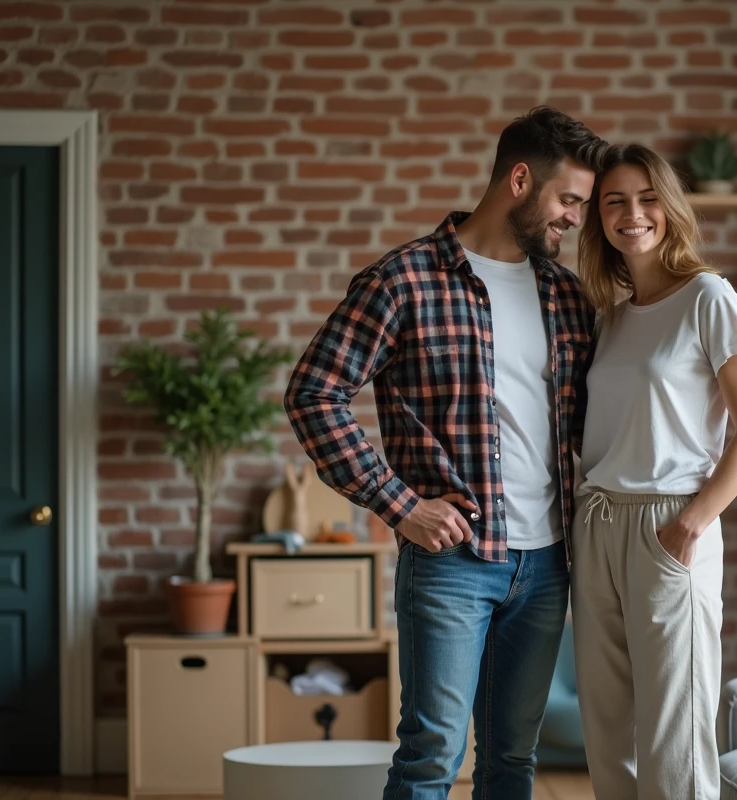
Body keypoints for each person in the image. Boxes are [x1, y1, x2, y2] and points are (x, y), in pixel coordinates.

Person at [283, 106, 607, 800]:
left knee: (514, 757)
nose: (577, 219)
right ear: (520, 179)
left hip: (548, 563)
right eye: (569, 200)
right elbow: (313, 394)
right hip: (453, 564)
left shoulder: (566, 296)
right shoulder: (403, 280)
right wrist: (400, 506)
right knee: (432, 755)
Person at [572, 144, 737, 800]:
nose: (632, 214)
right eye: (614, 201)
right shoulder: (612, 315)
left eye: (647, 198)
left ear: (671, 206)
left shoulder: (709, 297)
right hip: (598, 522)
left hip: (670, 522)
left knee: (674, 735)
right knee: (607, 731)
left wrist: (692, 522)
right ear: (598, 217)